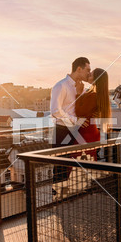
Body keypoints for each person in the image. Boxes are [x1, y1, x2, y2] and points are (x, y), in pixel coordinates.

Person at [50, 57, 91, 185]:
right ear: (79, 69)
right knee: (60, 168)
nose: (89, 73)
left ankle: (67, 197)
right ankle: (57, 200)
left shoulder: (81, 88)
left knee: (71, 167)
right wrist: (75, 120)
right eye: (87, 70)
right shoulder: (60, 86)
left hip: (75, 131)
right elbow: (55, 111)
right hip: (62, 131)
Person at [75, 68, 112, 159]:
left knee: (78, 165)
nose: (88, 75)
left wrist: (78, 93)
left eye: (90, 74)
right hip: (89, 132)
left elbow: (79, 112)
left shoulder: (93, 96)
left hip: (85, 133)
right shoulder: (96, 95)